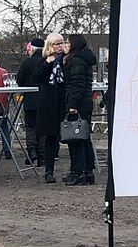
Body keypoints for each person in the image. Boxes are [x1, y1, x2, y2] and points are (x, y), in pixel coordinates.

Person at [63, 34, 97, 186]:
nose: (66, 45)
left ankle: (79, 171)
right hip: (84, 102)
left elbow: (78, 84)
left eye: (67, 42)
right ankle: (87, 171)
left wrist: (73, 104)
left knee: (76, 138)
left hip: (78, 103)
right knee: (84, 137)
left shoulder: (76, 61)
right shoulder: (84, 59)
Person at [35, 33, 67, 183]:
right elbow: (37, 77)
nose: (60, 46)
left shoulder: (67, 60)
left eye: (61, 43)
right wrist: (48, 63)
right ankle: (49, 170)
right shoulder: (45, 61)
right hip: (49, 103)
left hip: (63, 101)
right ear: (50, 45)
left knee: (69, 134)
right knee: (50, 137)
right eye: (57, 44)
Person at [16, 38, 45, 165]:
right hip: (44, 99)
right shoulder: (46, 62)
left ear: (31, 48)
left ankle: (32, 151)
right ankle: (42, 155)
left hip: (30, 100)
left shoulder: (27, 62)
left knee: (30, 127)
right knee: (43, 128)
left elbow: (19, 81)